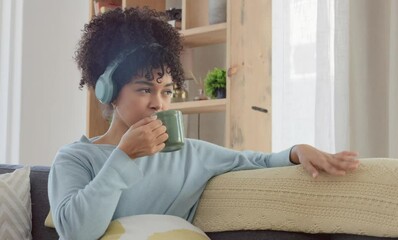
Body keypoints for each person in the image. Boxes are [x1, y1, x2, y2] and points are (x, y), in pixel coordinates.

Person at [48, 7, 360, 240]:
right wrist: (123, 156)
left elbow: (256, 161)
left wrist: (296, 151)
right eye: (144, 89)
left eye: (167, 91)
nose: (158, 102)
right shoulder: (76, 159)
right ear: (110, 92)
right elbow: (77, 232)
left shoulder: (190, 155)